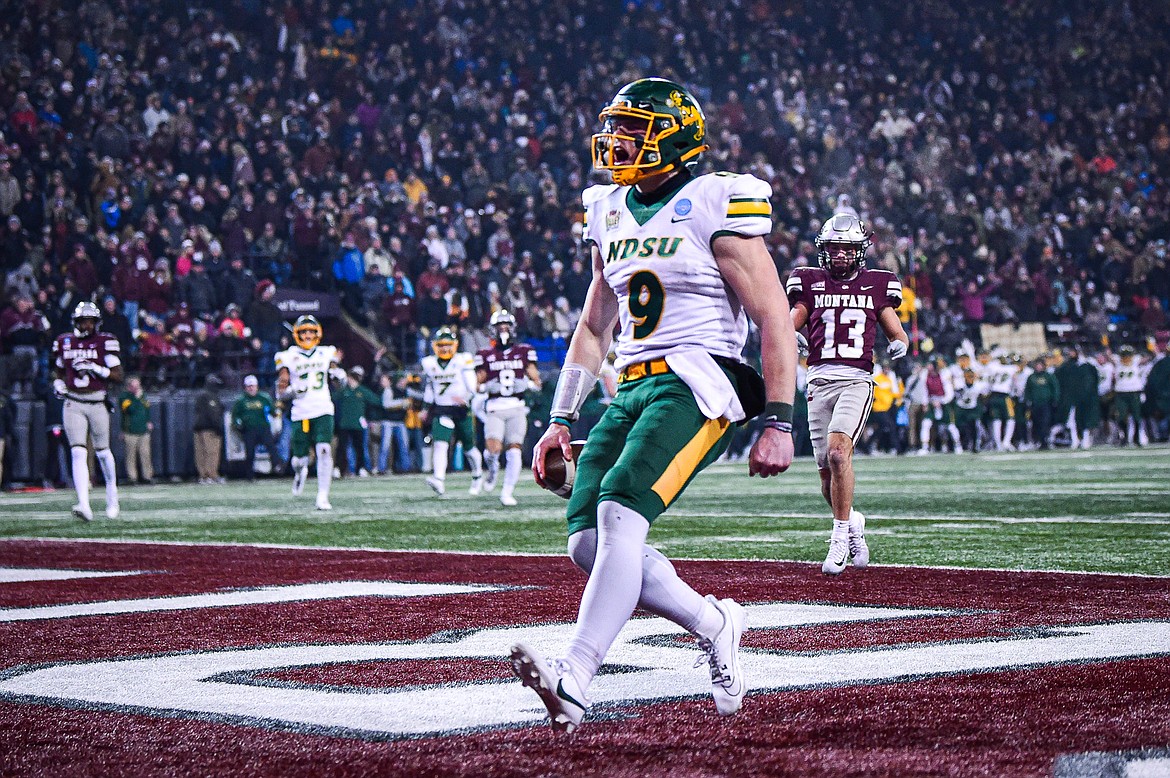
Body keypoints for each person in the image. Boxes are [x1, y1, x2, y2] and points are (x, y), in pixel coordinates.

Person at [510, 79, 797, 732]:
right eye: (618, 127)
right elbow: (593, 326)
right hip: (634, 383)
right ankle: (713, 622)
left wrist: (779, 421)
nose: (620, 141)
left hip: (701, 377)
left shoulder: (712, 200)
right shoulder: (609, 210)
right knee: (586, 541)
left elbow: (774, 316)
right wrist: (559, 419)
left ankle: (575, 677)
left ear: (674, 134)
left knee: (618, 509)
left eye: (635, 129)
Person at [787, 213, 909, 574]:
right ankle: (853, 521)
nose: (839, 255)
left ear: (859, 251)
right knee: (827, 475)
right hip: (818, 381)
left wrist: (901, 343)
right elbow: (792, 317)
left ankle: (839, 537)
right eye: (834, 248)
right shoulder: (809, 282)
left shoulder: (876, 285)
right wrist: (788, 331)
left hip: (856, 380)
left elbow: (896, 332)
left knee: (840, 454)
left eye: (846, 248)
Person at [51, 300, 124, 521]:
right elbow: (57, 371)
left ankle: (112, 494)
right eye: (84, 321)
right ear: (76, 321)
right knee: (78, 451)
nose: (88, 326)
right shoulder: (64, 342)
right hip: (73, 401)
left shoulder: (105, 342)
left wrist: (96, 368)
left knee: (103, 452)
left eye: (91, 321)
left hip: (97, 401)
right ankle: (84, 503)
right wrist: (57, 384)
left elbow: (118, 375)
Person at [275, 315, 343, 510]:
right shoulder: (288, 356)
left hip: (323, 408)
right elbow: (280, 392)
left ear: (317, 333)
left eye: (310, 332)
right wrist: (293, 391)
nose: (307, 335)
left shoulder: (326, 353)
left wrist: (339, 376)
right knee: (299, 459)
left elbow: (339, 381)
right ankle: (299, 471)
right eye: (303, 332)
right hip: (301, 412)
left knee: (324, 450)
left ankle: (322, 496)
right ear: (297, 334)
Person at [474, 309, 541, 506]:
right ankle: (492, 471)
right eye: (499, 327)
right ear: (493, 330)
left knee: (514, 449)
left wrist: (529, 384)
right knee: (493, 450)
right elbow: (478, 384)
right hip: (495, 405)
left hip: (516, 405)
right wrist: (486, 386)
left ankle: (507, 492)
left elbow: (536, 381)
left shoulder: (523, 351)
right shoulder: (485, 354)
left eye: (506, 327)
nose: (503, 330)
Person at [419, 326, 482, 495]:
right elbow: (430, 389)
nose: (445, 348)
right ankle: (438, 479)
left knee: (469, 446)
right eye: (441, 345)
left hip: (461, 408)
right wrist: (425, 408)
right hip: (442, 408)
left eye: (448, 344)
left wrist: (467, 398)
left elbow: (473, 384)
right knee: (440, 443)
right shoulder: (430, 363)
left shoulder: (463, 360)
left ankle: (477, 474)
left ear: (454, 345)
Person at [333, 366, 379, 477]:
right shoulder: (344, 391)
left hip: (357, 424)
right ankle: (338, 468)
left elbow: (376, 400)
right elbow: (332, 397)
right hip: (345, 424)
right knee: (341, 447)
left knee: (359, 447)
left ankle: (361, 468)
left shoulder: (362, 391)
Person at [231, 375, 277, 481]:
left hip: (264, 428)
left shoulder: (264, 398)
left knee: (272, 448)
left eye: (253, 386)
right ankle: (250, 475)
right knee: (250, 452)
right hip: (249, 429)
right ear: (245, 387)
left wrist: (275, 413)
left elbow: (273, 411)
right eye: (249, 386)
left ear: (257, 386)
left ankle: (277, 468)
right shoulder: (241, 401)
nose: (251, 388)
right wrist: (238, 425)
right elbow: (235, 416)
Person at [118, 376, 153, 484]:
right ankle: (132, 477)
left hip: (143, 430)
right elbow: (130, 409)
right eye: (134, 386)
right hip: (130, 431)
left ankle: (147, 476)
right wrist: (136, 398)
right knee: (130, 456)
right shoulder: (124, 397)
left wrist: (148, 421)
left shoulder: (143, 396)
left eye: (138, 385)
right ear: (129, 387)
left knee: (146, 454)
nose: (137, 388)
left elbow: (146, 409)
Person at [193, 375, 225, 484]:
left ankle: (203, 476)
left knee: (200, 453)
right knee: (212, 452)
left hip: (199, 427)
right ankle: (211, 475)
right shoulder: (210, 396)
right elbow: (213, 413)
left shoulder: (200, 395)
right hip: (209, 428)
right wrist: (218, 426)